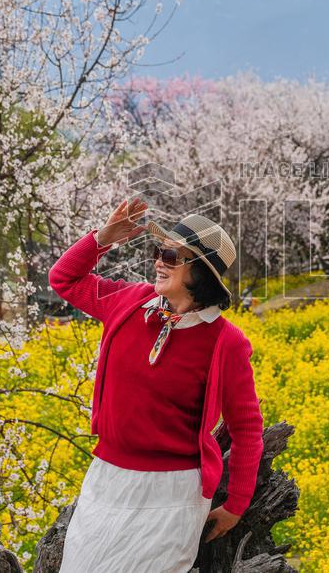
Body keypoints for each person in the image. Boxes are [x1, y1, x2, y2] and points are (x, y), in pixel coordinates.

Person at [50, 198, 263, 572]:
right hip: (107, 478)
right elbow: (64, 279)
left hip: (174, 493)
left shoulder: (225, 341)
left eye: (172, 255)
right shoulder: (129, 302)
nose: (159, 261)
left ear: (201, 273)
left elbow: (246, 427)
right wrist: (103, 238)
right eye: (157, 251)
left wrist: (237, 503)